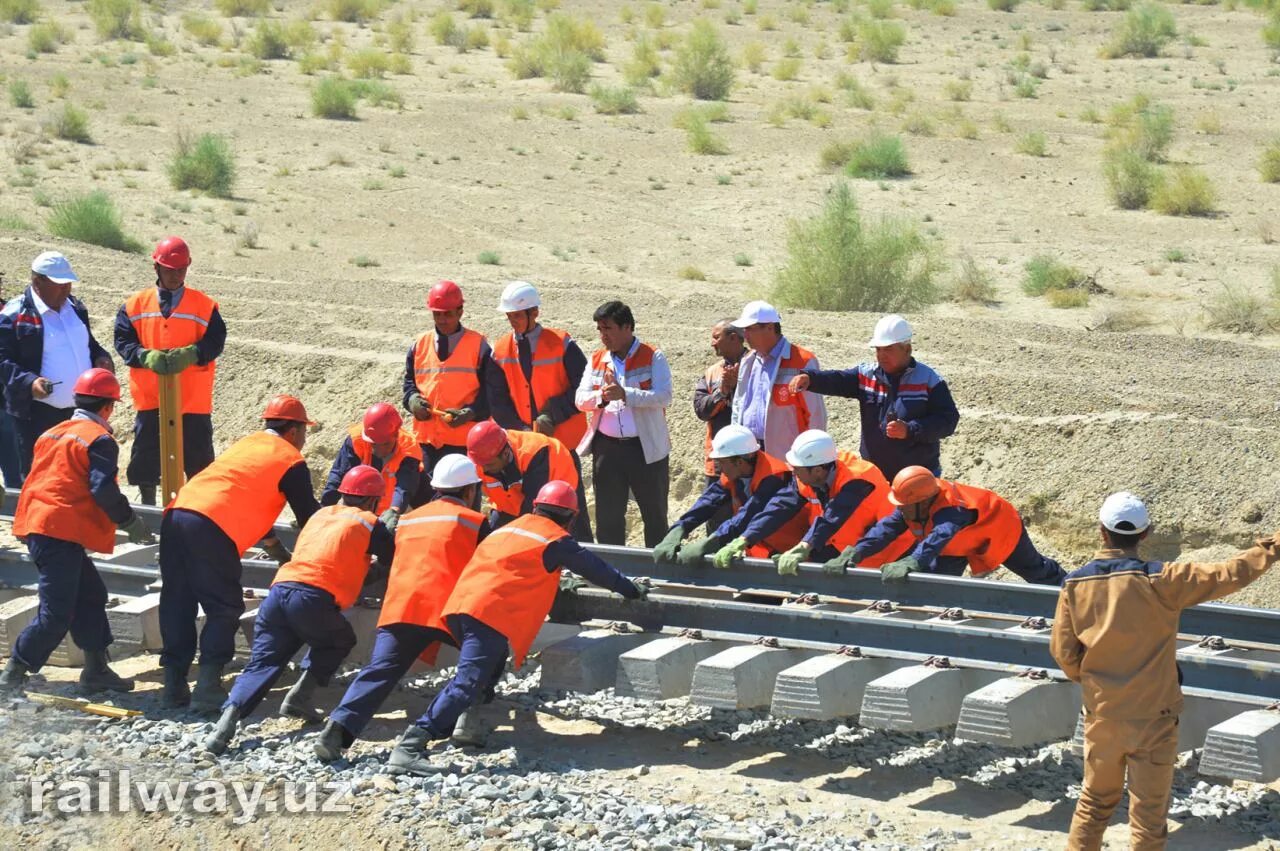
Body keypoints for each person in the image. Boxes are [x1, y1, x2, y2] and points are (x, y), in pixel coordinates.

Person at [1051, 493, 1280, 851]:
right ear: (1145, 534)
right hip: (1154, 718)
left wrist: (1097, 683)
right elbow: (1230, 573)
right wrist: (1271, 547)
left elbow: (1064, 653)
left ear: (1101, 532)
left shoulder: (1075, 586)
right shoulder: (1162, 580)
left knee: (1094, 804)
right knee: (1148, 816)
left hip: (1103, 715)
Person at [381, 481, 647, 775]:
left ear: (535, 507)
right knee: (468, 680)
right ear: (571, 518)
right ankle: (411, 745)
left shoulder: (511, 528)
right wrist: (631, 590)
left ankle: (467, 727)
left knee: (491, 666)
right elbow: (597, 569)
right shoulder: (555, 540)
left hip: (460, 607)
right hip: (488, 614)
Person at [204, 465, 396, 755]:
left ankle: (224, 726)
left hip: (279, 592)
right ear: (373, 500)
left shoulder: (320, 514)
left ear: (343, 493)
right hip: (312, 598)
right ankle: (300, 696)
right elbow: (392, 556)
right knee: (338, 639)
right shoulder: (369, 522)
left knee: (264, 662)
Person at [314, 455, 491, 762]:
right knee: (484, 657)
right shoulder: (474, 521)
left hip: (401, 606)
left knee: (380, 671)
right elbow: (487, 567)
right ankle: (466, 721)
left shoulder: (409, 519)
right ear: (470, 491)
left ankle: (336, 732)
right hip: (445, 608)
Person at [158, 394, 321, 712]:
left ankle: (173, 686)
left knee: (177, 602)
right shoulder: (290, 459)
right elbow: (309, 517)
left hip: (177, 515)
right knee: (224, 606)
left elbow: (239, 493)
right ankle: (207, 687)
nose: (303, 440)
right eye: (304, 432)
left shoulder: (248, 445)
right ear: (293, 431)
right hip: (211, 528)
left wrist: (277, 551)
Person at [0, 369, 153, 693]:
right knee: (57, 613)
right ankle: (13, 674)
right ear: (108, 407)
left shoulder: (53, 431)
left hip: (41, 523)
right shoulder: (99, 438)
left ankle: (96, 670)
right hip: (57, 529)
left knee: (91, 595)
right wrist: (128, 521)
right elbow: (103, 490)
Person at [114, 236, 227, 505]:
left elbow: (215, 341)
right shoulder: (134, 305)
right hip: (151, 398)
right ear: (156, 269)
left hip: (192, 401)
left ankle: (199, 511)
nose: (175, 276)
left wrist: (193, 353)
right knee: (146, 455)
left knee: (199, 460)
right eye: (169, 270)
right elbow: (123, 341)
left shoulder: (205, 305)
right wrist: (144, 356)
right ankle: (149, 506)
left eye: (181, 270)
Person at [788, 314, 959, 483]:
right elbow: (838, 380)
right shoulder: (867, 375)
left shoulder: (929, 380)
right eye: (878, 349)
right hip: (874, 475)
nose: (881, 355)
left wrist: (910, 430)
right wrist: (811, 379)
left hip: (916, 478)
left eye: (888, 349)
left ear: (907, 349)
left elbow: (948, 420)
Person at [716, 430, 911, 576]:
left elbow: (832, 517)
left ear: (818, 470)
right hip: (847, 547)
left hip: (888, 548)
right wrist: (745, 538)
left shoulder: (858, 478)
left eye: (798, 468)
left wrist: (804, 546)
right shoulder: (810, 472)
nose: (794, 472)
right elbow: (779, 507)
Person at [838, 466, 1065, 585]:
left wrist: (913, 560)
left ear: (923, 502)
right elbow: (885, 529)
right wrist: (855, 552)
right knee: (935, 584)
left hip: (999, 529)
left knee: (1035, 571)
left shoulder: (953, 509)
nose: (900, 509)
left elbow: (939, 536)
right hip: (957, 545)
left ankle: (1072, 591)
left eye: (904, 505)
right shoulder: (912, 504)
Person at [488, 280, 592, 541]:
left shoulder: (561, 343)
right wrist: (524, 433)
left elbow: (583, 386)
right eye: (509, 316)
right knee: (524, 509)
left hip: (561, 447)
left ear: (534, 312)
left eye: (517, 316)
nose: (512, 321)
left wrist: (552, 413)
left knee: (571, 508)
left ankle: (582, 556)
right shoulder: (500, 350)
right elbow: (497, 400)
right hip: (523, 450)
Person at [0, 251, 113, 476]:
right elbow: (3, 360)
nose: (66, 289)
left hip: (79, 412)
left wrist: (100, 356)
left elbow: (88, 342)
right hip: (37, 416)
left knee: (74, 476)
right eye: (59, 284)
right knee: (39, 477)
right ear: (37, 281)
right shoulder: (14, 314)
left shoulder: (75, 308)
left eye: (68, 284)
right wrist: (29, 382)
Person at [574, 301, 672, 547]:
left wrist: (626, 394)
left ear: (627, 327)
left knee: (655, 515)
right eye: (599, 329)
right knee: (608, 517)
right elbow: (580, 399)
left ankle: (658, 570)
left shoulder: (652, 356)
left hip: (645, 449)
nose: (602, 335)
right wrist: (602, 398)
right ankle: (613, 570)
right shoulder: (597, 358)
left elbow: (664, 396)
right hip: (607, 449)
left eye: (607, 328)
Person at [651, 425, 809, 568]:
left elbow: (748, 515)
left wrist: (712, 542)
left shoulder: (774, 477)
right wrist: (680, 527)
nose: (717, 467)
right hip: (762, 552)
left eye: (721, 462)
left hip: (791, 553)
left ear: (739, 462)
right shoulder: (735, 473)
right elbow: (709, 501)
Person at [401, 280, 498, 504]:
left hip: (464, 444)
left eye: (448, 314)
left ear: (460, 311)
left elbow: (492, 394)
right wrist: (412, 400)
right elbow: (409, 383)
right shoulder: (419, 344)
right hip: (427, 442)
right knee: (427, 506)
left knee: (465, 507)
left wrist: (470, 413)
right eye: (437, 315)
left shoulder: (478, 345)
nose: (442, 320)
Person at [729, 301, 826, 460]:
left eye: (750, 329)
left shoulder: (803, 360)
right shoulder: (748, 361)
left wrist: (811, 457)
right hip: (750, 454)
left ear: (769, 327)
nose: (745, 336)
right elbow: (739, 406)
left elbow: (815, 415)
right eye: (744, 330)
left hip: (787, 457)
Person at [464, 420, 590, 540]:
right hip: (510, 504)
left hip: (556, 500)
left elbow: (532, 509)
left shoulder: (535, 454)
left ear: (506, 453)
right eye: (480, 464)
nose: (483, 469)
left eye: (489, 465)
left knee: (564, 541)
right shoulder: (482, 459)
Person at [320, 402, 421, 531]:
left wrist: (394, 511)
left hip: (395, 502)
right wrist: (323, 510)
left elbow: (404, 487)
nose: (376, 449)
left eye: (383, 444)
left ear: (395, 435)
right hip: (367, 504)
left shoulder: (409, 449)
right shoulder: (357, 440)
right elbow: (338, 476)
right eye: (373, 444)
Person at [693, 320, 744, 532]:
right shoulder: (712, 372)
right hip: (718, 463)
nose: (712, 343)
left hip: (750, 463)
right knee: (716, 521)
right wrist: (722, 391)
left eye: (716, 337)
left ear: (734, 338)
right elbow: (701, 410)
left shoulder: (757, 367)